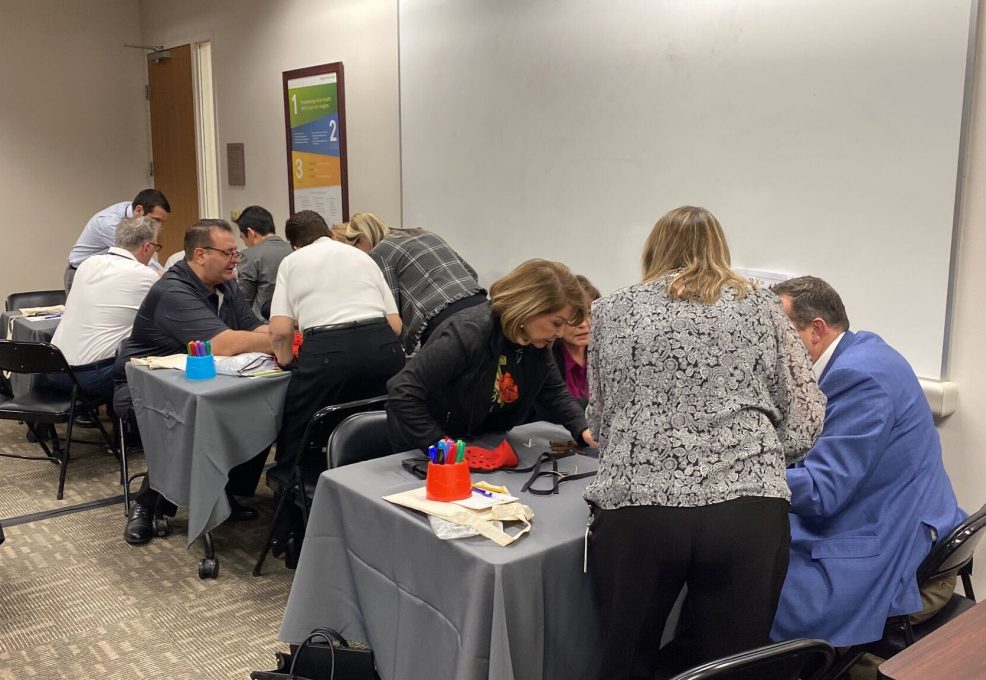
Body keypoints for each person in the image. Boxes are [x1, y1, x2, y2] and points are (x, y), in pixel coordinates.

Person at [584, 206, 826, 680]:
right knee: (732, 665)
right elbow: (802, 418)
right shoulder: (764, 308)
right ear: (721, 250)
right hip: (746, 510)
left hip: (639, 508)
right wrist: (756, 451)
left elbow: (603, 422)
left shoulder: (610, 311)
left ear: (652, 250)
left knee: (627, 658)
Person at [769, 276, 966, 648]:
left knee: (740, 580)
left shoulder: (860, 377)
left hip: (892, 547)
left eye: (779, 336)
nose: (771, 349)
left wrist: (743, 474)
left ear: (816, 330)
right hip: (894, 516)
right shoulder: (863, 352)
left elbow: (823, 491)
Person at [115, 219, 274, 545]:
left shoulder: (226, 284)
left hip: (201, 379)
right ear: (200, 254)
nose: (235, 260)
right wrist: (282, 341)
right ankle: (148, 504)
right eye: (229, 253)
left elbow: (253, 327)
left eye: (236, 253)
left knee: (263, 402)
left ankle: (226, 493)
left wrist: (280, 337)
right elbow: (224, 343)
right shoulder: (173, 291)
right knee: (193, 416)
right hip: (146, 387)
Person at [268, 210, 405, 555]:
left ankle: (289, 537)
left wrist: (286, 361)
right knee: (376, 430)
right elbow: (396, 324)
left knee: (296, 440)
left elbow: (282, 330)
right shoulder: (362, 257)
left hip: (327, 353)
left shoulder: (293, 262)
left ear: (294, 244)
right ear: (329, 232)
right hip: (384, 349)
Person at [386, 258, 596, 453]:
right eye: (556, 323)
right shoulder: (468, 333)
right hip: (422, 447)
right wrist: (441, 446)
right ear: (530, 309)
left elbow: (553, 392)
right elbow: (403, 391)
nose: (559, 334)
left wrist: (583, 428)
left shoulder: (534, 343)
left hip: (477, 442)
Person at [340, 212, 487, 353]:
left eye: (355, 249)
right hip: (482, 307)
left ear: (362, 239)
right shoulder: (423, 233)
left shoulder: (379, 254)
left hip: (444, 321)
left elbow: (393, 317)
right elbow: (471, 273)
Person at [49, 216, 162, 399]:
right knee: (157, 349)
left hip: (53, 371)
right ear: (147, 247)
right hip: (91, 378)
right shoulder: (146, 276)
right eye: (156, 247)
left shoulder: (87, 264)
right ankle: (131, 423)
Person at [66, 189, 170, 292]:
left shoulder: (135, 210)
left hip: (101, 274)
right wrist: (168, 276)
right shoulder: (109, 224)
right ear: (139, 210)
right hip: (80, 273)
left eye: (162, 221)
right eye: (156, 220)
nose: (159, 226)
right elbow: (140, 257)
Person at [235, 205, 292, 321]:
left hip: (264, 326)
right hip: (295, 323)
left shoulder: (249, 255)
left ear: (251, 233)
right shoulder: (295, 249)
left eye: (242, 237)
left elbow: (243, 300)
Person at [552, 274, 600, 408]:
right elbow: (552, 406)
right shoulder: (547, 356)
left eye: (589, 313)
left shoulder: (604, 354)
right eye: (575, 316)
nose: (583, 324)